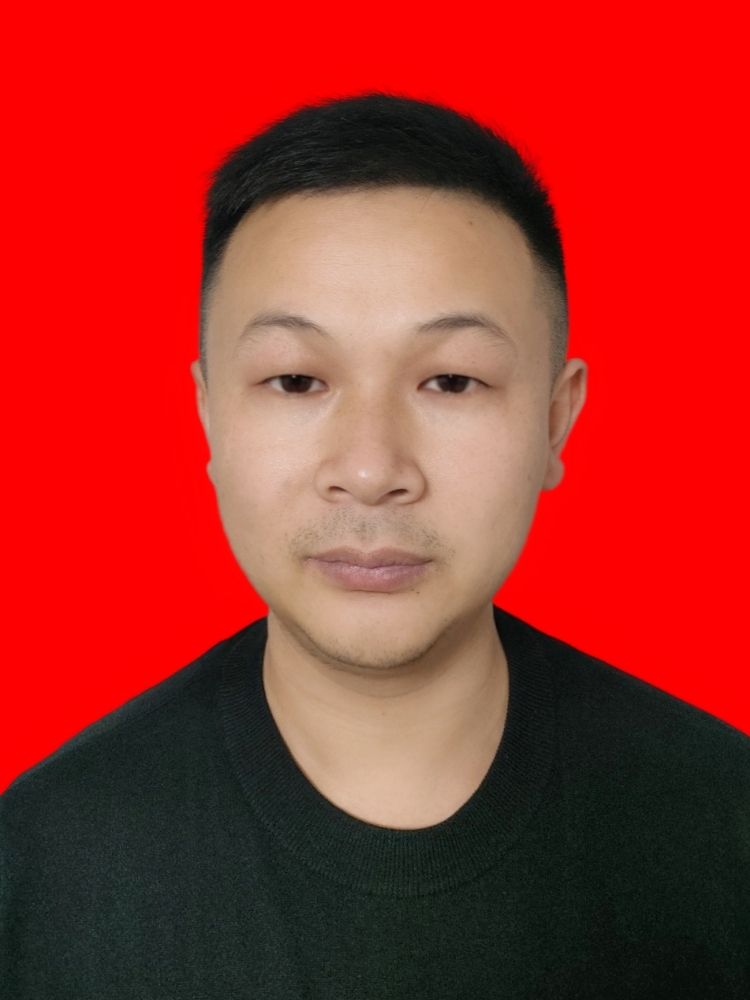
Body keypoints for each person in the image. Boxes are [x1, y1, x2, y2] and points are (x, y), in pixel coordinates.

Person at [1, 94, 748, 999]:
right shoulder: (38, 863)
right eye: (295, 380)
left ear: (556, 420)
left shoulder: (723, 822)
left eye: (451, 381)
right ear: (208, 415)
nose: (369, 469)